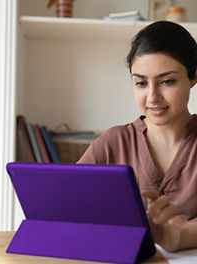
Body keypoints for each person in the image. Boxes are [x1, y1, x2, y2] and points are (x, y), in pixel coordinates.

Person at [77, 20, 197, 253]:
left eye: (167, 81)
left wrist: (177, 236)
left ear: (193, 77)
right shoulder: (111, 143)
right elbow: (68, 204)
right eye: (141, 83)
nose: (152, 97)